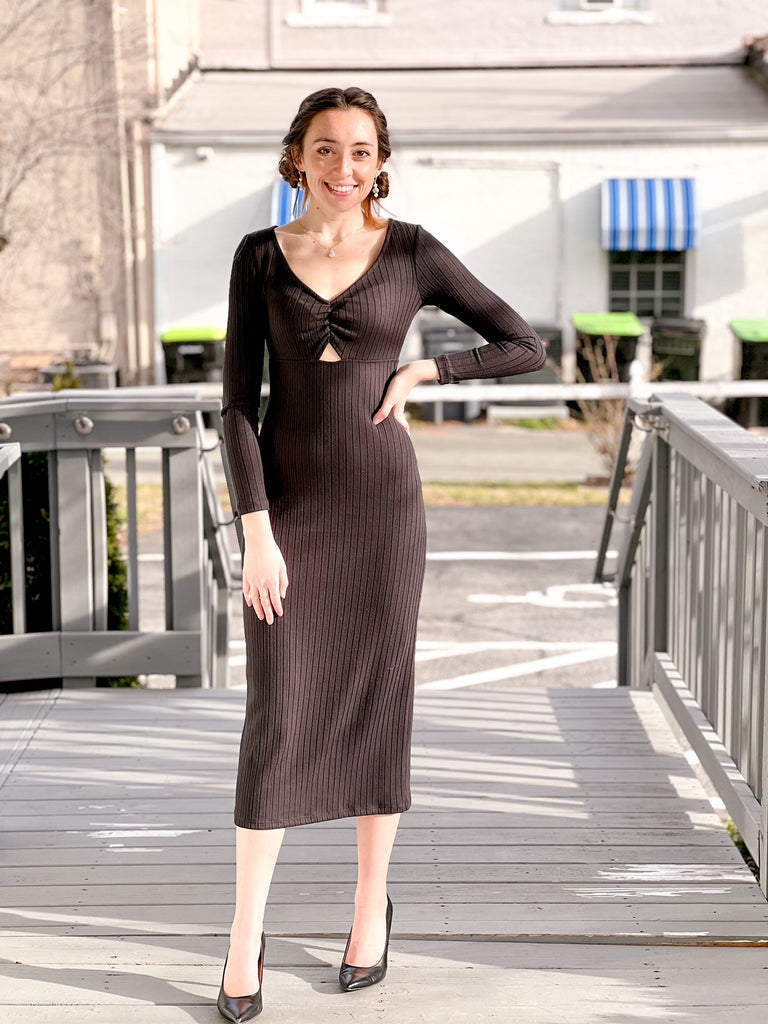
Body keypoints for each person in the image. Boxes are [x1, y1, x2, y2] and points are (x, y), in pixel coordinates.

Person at [218, 85, 545, 1021]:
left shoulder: (411, 251)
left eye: (361, 151)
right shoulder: (257, 256)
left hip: (383, 513)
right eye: (326, 148)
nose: (344, 167)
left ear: (380, 162)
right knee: (279, 712)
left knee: (376, 704)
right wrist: (256, 533)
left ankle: (370, 909)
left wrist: (429, 367)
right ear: (297, 156)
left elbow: (522, 344)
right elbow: (236, 407)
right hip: (289, 517)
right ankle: (244, 933)